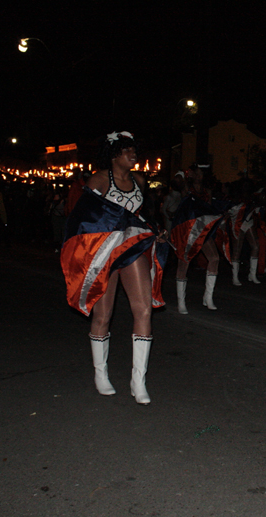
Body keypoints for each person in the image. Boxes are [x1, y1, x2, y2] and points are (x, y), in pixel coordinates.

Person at [61, 131, 168, 404]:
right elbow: (82, 218)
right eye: (127, 150)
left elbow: (145, 217)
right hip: (105, 254)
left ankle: (138, 381)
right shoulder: (98, 179)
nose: (133, 155)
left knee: (143, 309)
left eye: (134, 150)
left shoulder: (140, 181)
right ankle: (101, 373)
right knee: (102, 315)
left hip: (132, 252)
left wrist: (156, 231)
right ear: (113, 154)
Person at [170, 164, 226, 314]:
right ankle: (181, 302)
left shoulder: (207, 191)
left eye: (202, 173)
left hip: (203, 230)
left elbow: (209, 211)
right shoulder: (186, 188)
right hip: (188, 231)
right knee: (184, 262)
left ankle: (208, 297)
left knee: (214, 258)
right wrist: (183, 172)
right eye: (198, 173)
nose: (200, 176)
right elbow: (175, 182)